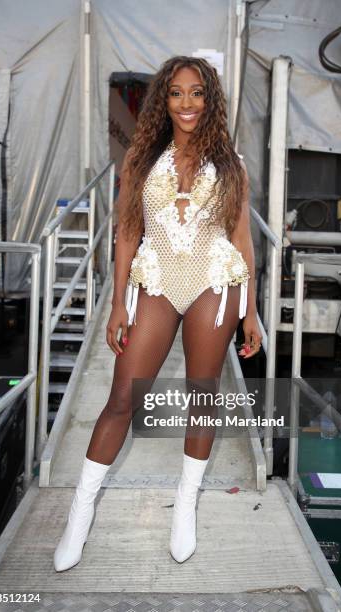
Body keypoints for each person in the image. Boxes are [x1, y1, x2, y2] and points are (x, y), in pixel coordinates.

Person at [54, 55, 262, 572]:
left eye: (197, 93)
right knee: (123, 396)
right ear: (163, 100)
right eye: (176, 93)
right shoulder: (142, 158)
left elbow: (241, 239)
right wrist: (119, 302)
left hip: (215, 281)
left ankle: (185, 507)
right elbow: (127, 232)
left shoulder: (231, 163)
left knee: (202, 396)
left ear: (209, 99)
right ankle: (80, 513)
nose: (187, 103)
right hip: (159, 279)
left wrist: (251, 309)